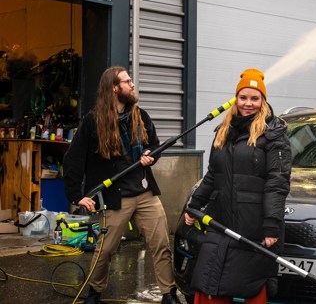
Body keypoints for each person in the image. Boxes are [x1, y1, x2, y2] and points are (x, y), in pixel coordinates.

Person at [63, 66, 180, 304]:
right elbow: (72, 160)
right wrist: (77, 195)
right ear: (115, 88)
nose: (133, 85)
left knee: (162, 245)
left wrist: (151, 156)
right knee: (104, 251)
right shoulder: (93, 122)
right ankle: (94, 293)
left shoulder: (141, 116)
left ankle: (169, 294)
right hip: (116, 199)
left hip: (145, 193)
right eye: (127, 81)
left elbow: (154, 146)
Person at [183, 68, 292, 304]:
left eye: (255, 98)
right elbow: (213, 175)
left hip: (253, 224)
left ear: (263, 101)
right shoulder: (224, 131)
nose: (248, 103)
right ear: (236, 99)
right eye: (243, 97)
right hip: (221, 220)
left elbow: (277, 182)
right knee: (209, 281)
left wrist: (271, 225)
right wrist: (194, 206)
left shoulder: (273, 134)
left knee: (251, 284)